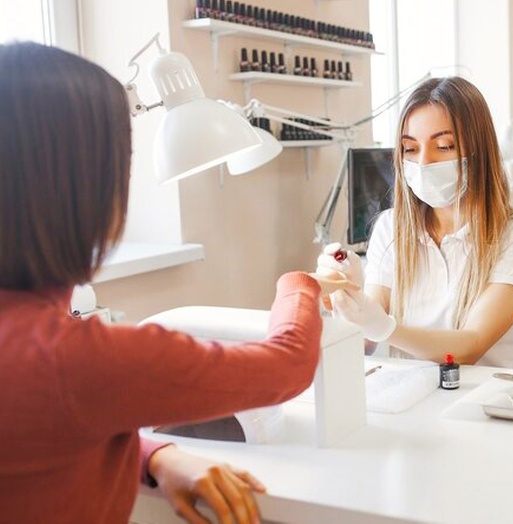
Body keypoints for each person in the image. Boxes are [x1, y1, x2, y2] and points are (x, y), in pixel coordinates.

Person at [0, 42, 353, 523]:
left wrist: (153, 456)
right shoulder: (75, 359)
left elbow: (53, 431)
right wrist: (300, 284)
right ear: (86, 189)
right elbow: (287, 366)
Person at [317, 76, 513, 368]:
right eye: (411, 149)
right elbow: (363, 341)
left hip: (483, 402)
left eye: (444, 145)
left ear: (479, 150)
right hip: (408, 399)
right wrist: (349, 298)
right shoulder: (391, 228)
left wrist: (384, 327)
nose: (424, 162)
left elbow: (470, 347)